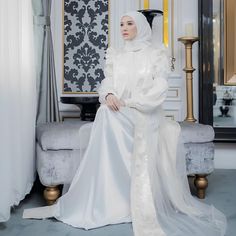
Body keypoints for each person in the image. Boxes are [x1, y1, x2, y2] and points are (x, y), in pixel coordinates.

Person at [24, 11, 227, 236]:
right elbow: (107, 82)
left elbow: (157, 92)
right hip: (118, 110)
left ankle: (125, 199)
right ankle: (108, 198)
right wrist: (109, 94)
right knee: (105, 113)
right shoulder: (116, 55)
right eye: (121, 24)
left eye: (130, 23)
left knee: (108, 116)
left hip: (144, 113)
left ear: (140, 26)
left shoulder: (155, 54)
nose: (124, 28)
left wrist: (128, 101)